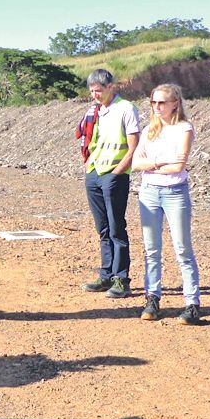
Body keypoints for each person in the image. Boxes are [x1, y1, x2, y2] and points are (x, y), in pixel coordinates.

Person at [130, 83, 201, 324]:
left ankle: (192, 303)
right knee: (151, 249)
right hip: (149, 192)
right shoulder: (149, 129)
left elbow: (179, 165)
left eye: (162, 102)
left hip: (175, 192)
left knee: (183, 249)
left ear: (175, 103)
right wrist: (159, 163)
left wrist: (151, 163)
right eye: (154, 102)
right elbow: (136, 163)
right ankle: (152, 298)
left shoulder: (184, 129)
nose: (157, 107)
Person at [77, 69, 141, 297]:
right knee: (103, 228)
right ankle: (106, 275)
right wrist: (89, 166)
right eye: (92, 91)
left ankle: (121, 279)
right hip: (95, 172)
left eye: (98, 90)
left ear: (111, 87)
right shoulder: (96, 111)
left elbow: (134, 146)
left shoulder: (126, 109)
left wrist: (118, 171)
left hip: (114, 175)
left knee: (116, 228)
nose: (95, 95)